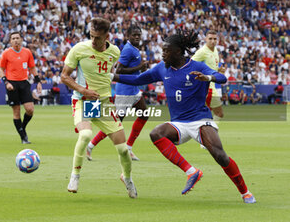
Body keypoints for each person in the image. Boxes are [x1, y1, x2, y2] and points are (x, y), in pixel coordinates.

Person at [111, 30, 256, 203]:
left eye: (166, 50)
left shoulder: (196, 66)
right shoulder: (162, 68)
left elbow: (222, 77)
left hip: (200, 120)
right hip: (179, 123)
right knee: (156, 133)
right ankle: (191, 171)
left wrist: (208, 77)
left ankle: (245, 192)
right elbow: (137, 79)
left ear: (178, 51)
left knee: (220, 155)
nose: (162, 54)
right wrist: (111, 76)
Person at [61, 17, 137, 198]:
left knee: (123, 150)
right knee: (86, 134)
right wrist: (82, 90)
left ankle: (127, 179)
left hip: (104, 104)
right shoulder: (79, 49)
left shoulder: (115, 52)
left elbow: (111, 72)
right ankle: (75, 176)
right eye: (91, 36)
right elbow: (64, 76)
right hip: (83, 101)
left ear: (107, 36)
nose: (93, 40)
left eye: (97, 37)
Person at [86, 24, 149, 161]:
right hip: (125, 93)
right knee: (114, 124)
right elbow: (118, 70)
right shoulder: (128, 50)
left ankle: (130, 147)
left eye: (139, 35)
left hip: (134, 90)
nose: (137, 37)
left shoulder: (134, 49)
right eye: (134, 35)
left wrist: (142, 70)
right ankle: (90, 146)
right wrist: (140, 67)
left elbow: (133, 70)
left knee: (144, 115)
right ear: (128, 36)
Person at [0, 31, 42, 144]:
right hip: (12, 84)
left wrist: (38, 81)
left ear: (21, 39)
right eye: (13, 38)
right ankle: (23, 137)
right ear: (10, 41)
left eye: (17, 38)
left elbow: (32, 68)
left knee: (30, 109)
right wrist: (6, 82)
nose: (16, 40)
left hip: (24, 82)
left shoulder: (27, 52)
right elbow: (1, 69)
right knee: (16, 112)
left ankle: (22, 127)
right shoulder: (6, 53)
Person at [192, 30, 225, 121]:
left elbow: (211, 68)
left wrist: (218, 70)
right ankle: (210, 133)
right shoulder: (202, 52)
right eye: (210, 39)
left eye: (215, 39)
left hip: (211, 85)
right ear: (205, 39)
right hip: (206, 87)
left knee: (204, 115)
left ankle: (205, 132)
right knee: (219, 113)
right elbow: (190, 65)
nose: (213, 41)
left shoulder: (215, 50)